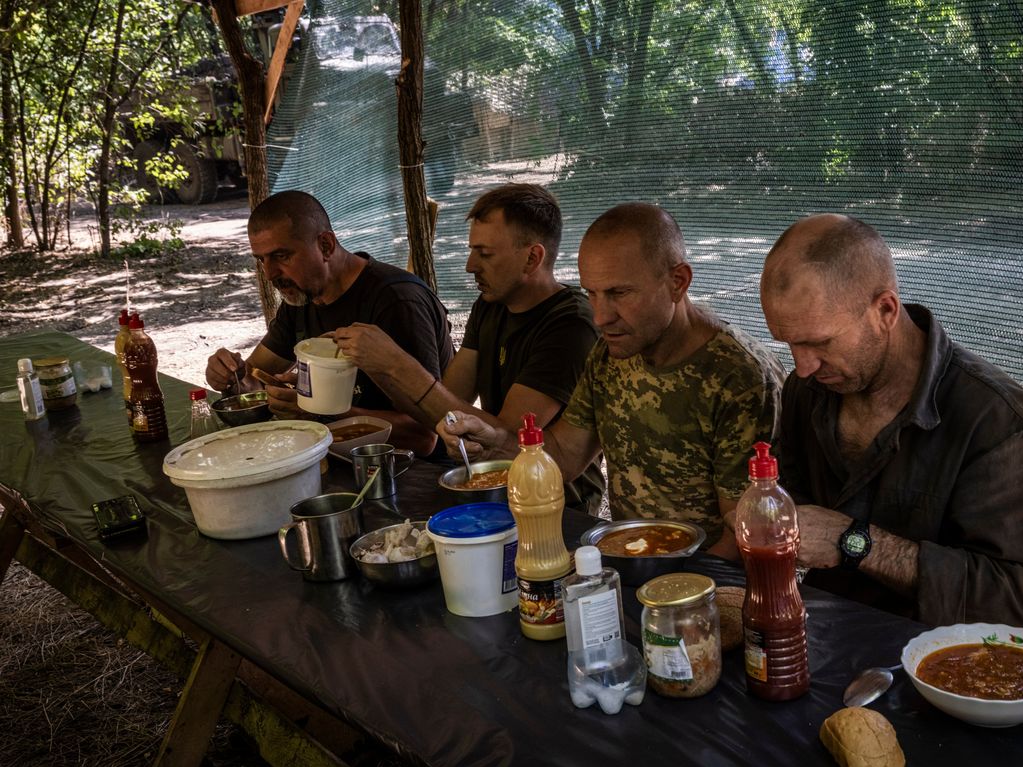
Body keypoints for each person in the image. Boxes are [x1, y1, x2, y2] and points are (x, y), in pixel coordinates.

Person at [762, 214, 1023, 630]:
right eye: (788, 342)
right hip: (826, 633)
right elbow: (792, 498)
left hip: (948, 663)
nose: (803, 366)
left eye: (819, 342)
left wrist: (855, 542)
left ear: (884, 310)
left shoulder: (1000, 423)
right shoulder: (808, 389)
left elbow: (1022, 598)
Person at [438, 202, 784, 553]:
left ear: (677, 282)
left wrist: (668, 592)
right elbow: (563, 457)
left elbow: (748, 532)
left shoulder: (740, 378)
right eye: (591, 293)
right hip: (631, 561)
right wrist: (492, 440)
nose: (601, 317)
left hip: (706, 586)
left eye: (619, 294)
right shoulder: (612, 352)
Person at [330, 184, 605, 512]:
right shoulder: (492, 305)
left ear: (532, 258)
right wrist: (374, 364)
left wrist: (396, 364)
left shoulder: (571, 324)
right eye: (472, 250)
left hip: (556, 504)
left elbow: (506, 435)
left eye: (485, 254)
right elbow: (440, 406)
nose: (470, 265)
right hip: (494, 487)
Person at [204, 190, 453, 454]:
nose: (269, 274)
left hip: (416, 473)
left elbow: (425, 438)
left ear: (325, 245)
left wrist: (319, 413)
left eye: (282, 256)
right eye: (261, 260)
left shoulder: (397, 302)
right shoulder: (302, 296)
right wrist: (232, 377)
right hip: (339, 459)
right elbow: (255, 377)